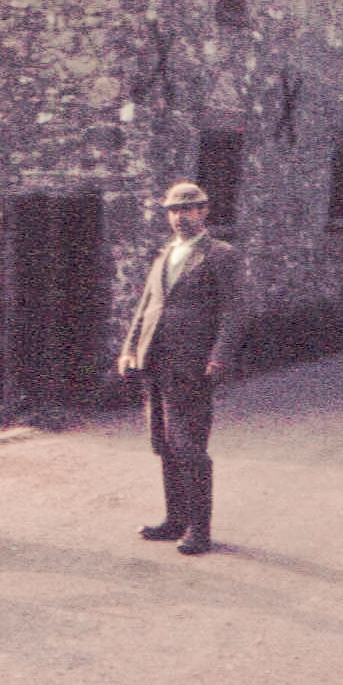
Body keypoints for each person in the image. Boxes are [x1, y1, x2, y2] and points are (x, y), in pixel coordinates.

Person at [118, 180, 245, 555]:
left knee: (189, 447)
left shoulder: (221, 255)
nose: (180, 217)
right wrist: (129, 350)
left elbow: (234, 311)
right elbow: (146, 306)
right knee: (164, 444)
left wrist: (219, 356)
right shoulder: (164, 254)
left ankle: (199, 531)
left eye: (189, 209)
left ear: (204, 211)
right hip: (155, 362)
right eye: (174, 210)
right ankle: (174, 521)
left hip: (192, 365)